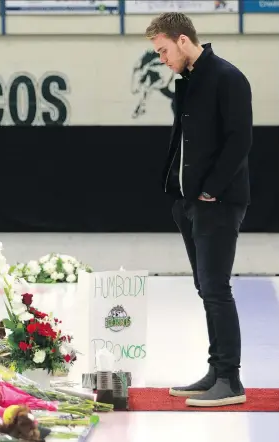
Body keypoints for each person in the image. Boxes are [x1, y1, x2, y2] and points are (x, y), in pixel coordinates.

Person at [144, 13, 252, 407]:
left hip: (218, 203)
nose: (162, 59)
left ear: (183, 41)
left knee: (217, 290)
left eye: (163, 50)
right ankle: (215, 371)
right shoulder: (189, 83)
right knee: (206, 289)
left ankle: (231, 380)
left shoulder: (227, 77)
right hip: (190, 204)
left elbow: (240, 140)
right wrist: (180, 195)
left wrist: (210, 190)